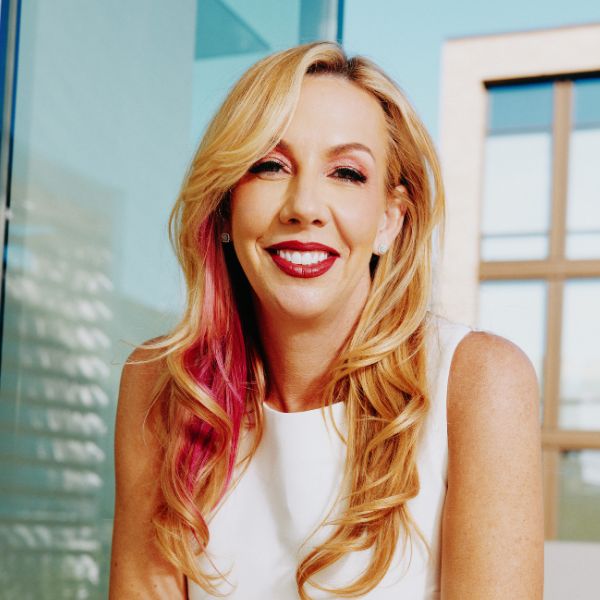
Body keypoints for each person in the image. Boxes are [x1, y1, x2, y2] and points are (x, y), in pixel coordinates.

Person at [109, 41, 544, 599]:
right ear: (224, 207)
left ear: (390, 220)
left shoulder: (479, 382)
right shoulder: (161, 384)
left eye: (346, 173)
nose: (305, 206)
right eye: (270, 165)